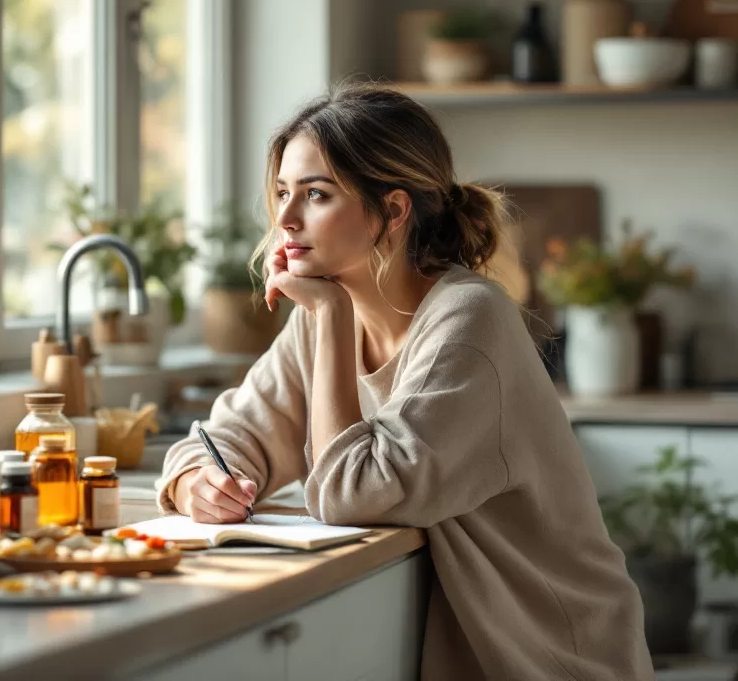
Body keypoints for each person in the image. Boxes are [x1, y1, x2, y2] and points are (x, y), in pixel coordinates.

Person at [155, 82, 653, 680]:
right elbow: (227, 437)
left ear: (393, 210)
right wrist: (196, 482)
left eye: (315, 195)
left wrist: (331, 317)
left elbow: (354, 495)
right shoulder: (319, 323)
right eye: (284, 192)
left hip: (550, 655)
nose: (285, 218)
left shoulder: (469, 320)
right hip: (467, 649)